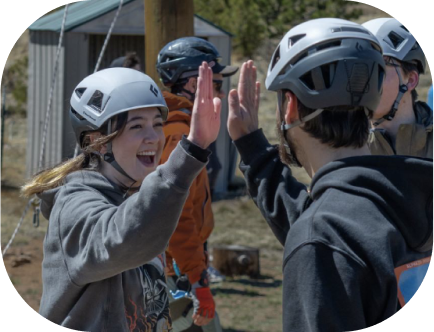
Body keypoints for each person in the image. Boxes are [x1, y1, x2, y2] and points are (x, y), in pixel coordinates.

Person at [227, 18, 433, 331]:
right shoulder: (410, 195)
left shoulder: (322, 239)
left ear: (290, 108)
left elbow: (329, 234)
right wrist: (253, 150)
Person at [21, 63, 221, 331]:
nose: (154, 138)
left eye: (157, 124)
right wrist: (189, 154)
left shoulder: (132, 195)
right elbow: (120, 239)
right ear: (99, 141)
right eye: (137, 126)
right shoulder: (74, 203)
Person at [155, 36, 238, 332]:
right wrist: (196, 277)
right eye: (216, 83)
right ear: (193, 85)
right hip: (174, 269)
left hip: (177, 265)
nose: (221, 91)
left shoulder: (182, 126)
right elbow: (175, 214)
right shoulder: (179, 135)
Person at [361, 18, 434, 157]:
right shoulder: (346, 148)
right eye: (358, 71)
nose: (364, 81)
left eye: (377, 69)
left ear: (411, 80)